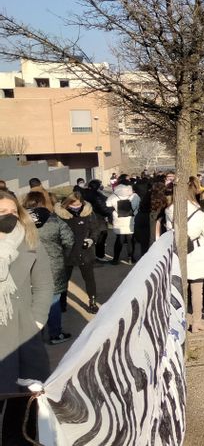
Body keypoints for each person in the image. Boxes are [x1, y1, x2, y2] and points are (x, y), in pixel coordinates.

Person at [0, 190, 52, 444]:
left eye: (12, 212)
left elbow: (43, 284)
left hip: (24, 334)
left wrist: (38, 321)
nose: (9, 217)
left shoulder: (29, 238)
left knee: (25, 400)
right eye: (2, 213)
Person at [24, 192, 75, 345]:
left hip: (27, 268)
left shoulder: (19, 222)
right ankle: (55, 334)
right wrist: (62, 255)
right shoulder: (53, 219)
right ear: (42, 202)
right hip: (52, 267)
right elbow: (69, 240)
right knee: (53, 302)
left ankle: (34, 337)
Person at [165, 185, 204, 332]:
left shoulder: (169, 210)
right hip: (198, 251)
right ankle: (197, 321)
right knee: (197, 290)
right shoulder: (199, 212)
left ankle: (180, 320)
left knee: (179, 289)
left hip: (178, 252)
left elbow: (169, 231)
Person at [55, 192, 104, 314]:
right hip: (66, 252)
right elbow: (55, 234)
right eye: (74, 205)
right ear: (67, 204)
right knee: (63, 280)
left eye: (79, 204)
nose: (77, 207)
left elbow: (95, 230)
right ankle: (62, 302)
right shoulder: (59, 215)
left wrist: (91, 239)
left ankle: (92, 302)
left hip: (85, 251)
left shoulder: (88, 213)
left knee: (89, 278)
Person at [106, 179, 140, 265]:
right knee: (130, 240)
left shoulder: (113, 196)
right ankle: (131, 259)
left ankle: (115, 259)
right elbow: (139, 205)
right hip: (131, 220)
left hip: (119, 221)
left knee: (119, 240)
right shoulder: (134, 195)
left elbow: (107, 205)